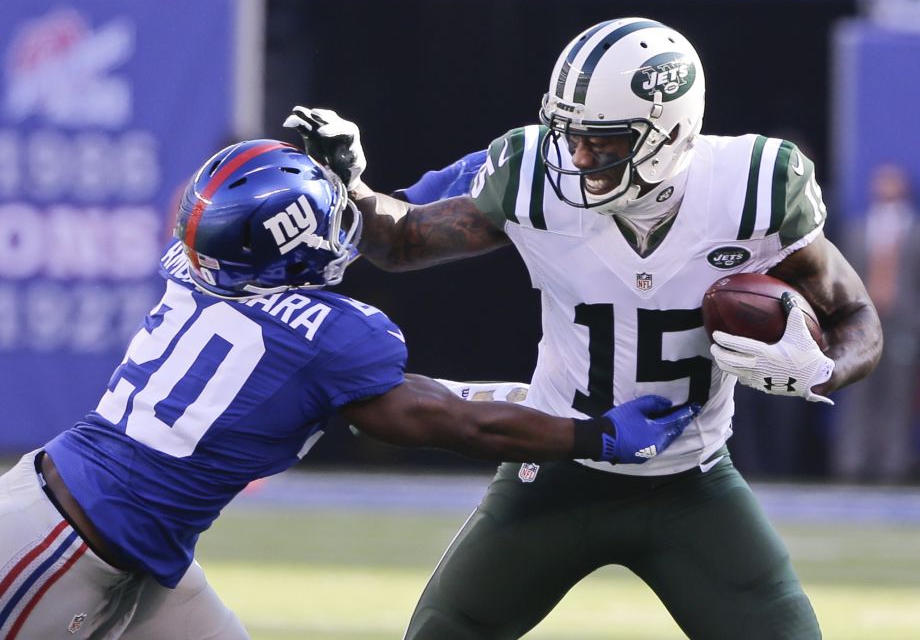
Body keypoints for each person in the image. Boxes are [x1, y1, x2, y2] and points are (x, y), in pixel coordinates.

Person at [284, 16, 883, 639]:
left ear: (669, 130)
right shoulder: (534, 175)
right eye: (571, 134)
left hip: (693, 482)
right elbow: (401, 242)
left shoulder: (754, 188)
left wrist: (822, 369)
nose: (578, 156)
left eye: (603, 139)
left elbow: (855, 316)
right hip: (554, 473)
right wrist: (351, 187)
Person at [0, 140, 700, 639]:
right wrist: (593, 433)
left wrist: (529, 397)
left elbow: (412, 397)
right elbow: (455, 424)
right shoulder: (329, 336)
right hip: (61, 547)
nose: (344, 227)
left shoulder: (200, 270)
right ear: (294, 245)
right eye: (328, 216)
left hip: (105, 536)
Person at [833, 163, 920, 483]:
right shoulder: (858, 228)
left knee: (898, 394)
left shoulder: (914, 230)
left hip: (903, 323)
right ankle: (852, 462)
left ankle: (892, 464)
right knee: (858, 392)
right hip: (862, 323)